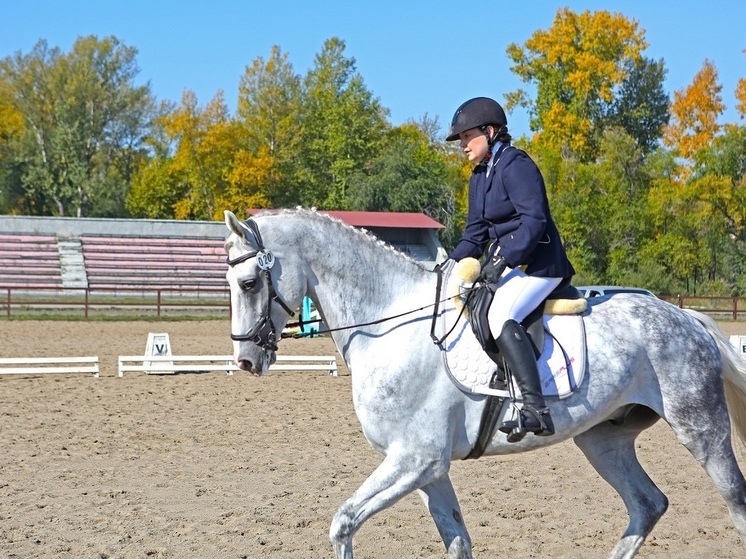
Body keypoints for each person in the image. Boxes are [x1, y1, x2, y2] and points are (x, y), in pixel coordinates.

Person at [446, 96, 575, 443]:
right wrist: (449, 266)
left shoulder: (516, 165)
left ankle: (535, 409)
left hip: (542, 265)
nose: (462, 145)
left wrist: (502, 260)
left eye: (466, 137)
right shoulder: (480, 176)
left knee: (501, 312)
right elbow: (475, 233)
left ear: (490, 131)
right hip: (511, 264)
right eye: (460, 140)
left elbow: (534, 220)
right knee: (472, 301)